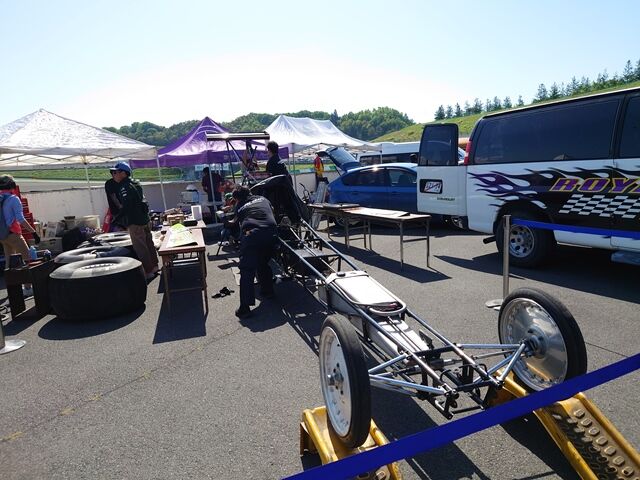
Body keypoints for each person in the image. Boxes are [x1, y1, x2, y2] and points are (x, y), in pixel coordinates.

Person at [232, 185, 277, 318]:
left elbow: (236, 223)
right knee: (263, 262)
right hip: (272, 232)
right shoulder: (263, 198)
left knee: (247, 269)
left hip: (253, 233)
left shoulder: (239, 206)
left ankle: (244, 308)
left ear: (237, 199)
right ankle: (268, 291)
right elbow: (272, 211)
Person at [110, 162, 159, 280]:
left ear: (123, 173)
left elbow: (127, 206)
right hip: (144, 218)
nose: (113, 175)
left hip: (135, 221)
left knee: (140, 247)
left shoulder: (124, 187)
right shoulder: (136, 183)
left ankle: (148, 271)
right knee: (149, 243)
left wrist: (117, 219)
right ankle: (155, 266)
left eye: (115, 172)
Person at [0, 175, 40, 296]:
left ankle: (12, 289)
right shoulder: (13, 199)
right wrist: (34, 232)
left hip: (2, 236)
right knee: (26, 259)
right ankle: (27, 288)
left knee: (9, 262)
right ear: (12, 185)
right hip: (14, 234)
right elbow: (20, 219)